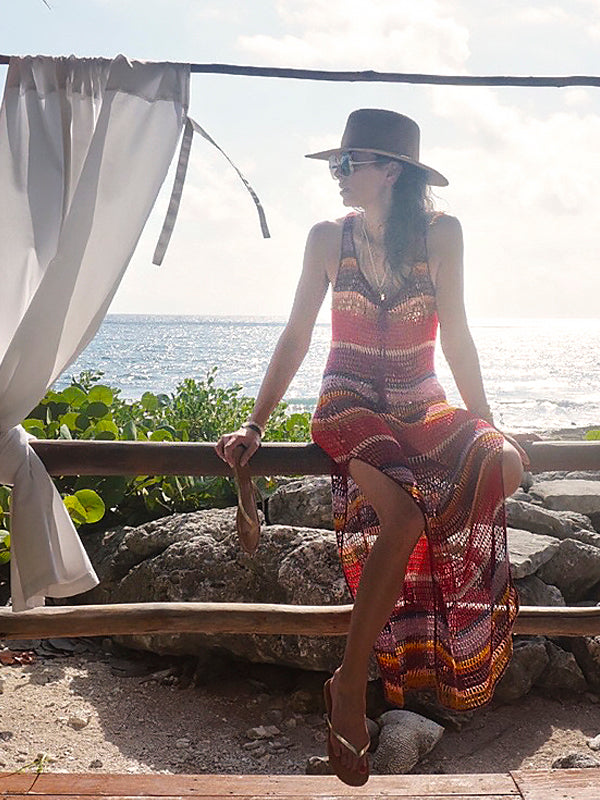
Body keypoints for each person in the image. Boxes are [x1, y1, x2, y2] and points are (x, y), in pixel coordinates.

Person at [215, 108, 529, 786]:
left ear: (390, 171)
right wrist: (256, 425)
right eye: (337, 163)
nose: (337, 173)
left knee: (502, 464)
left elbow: (457, 333)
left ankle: (414, 593)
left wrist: (486, 422)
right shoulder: (328, 238)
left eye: (347, 163)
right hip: (349, 400)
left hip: (420, 399)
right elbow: (297, 334)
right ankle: (350, 686)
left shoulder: (442, 234)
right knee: (406, 514)